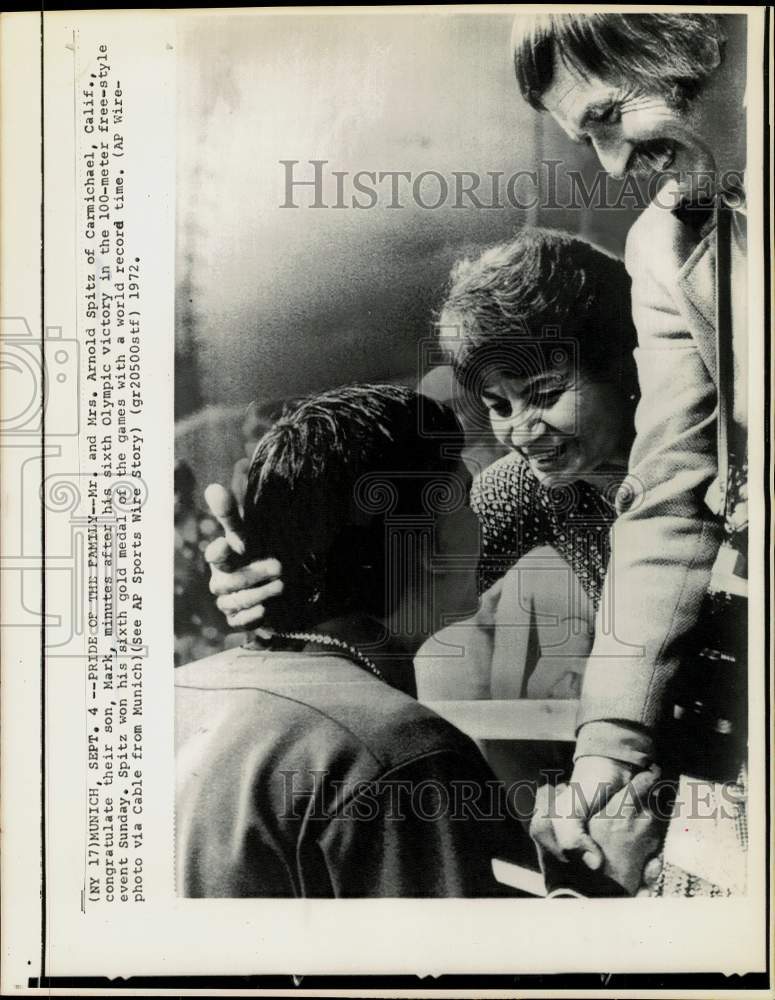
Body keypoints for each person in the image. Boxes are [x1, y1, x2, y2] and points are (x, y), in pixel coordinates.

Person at [511, 12, 748, 894]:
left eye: (610, 117)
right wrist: (609, 741)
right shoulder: (665, 240)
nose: (610, 166)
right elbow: (668, 503)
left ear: (705, 46)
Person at [177, 384, 537, 898]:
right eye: (465, 499)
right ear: (424, 540)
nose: (483, 521)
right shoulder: (405, 752)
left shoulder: (174, 695)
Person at [414, 227, 639, 703]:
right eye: (500, 406)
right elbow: (412, 582)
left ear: (624, 369)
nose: (521, 431)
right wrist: (283, 585)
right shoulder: (513, 491)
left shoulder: (708, 464)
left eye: (546, 395)